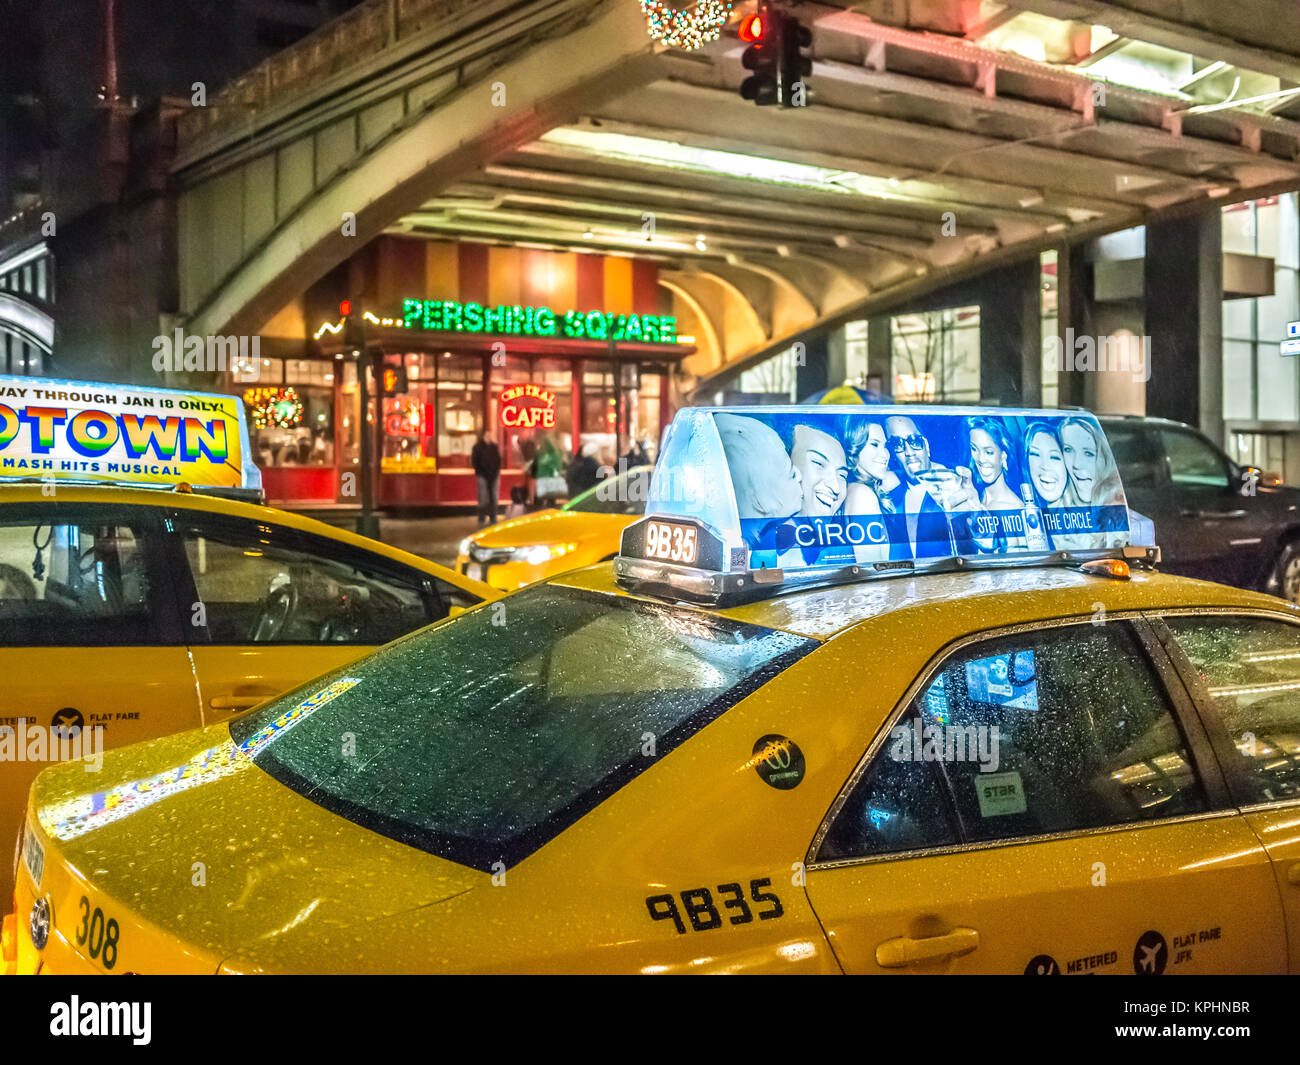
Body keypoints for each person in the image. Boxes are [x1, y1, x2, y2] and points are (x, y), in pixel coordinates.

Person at [884, 415, 987, 559]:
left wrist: (977, 518)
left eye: (914, 441)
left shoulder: (955, 480)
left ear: (926, 444)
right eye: (897, 444)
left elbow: (987, 546)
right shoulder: (892, 495)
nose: (909, 452)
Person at [714, 413, 804, 568]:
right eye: (790, 474)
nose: (800, 475)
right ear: (761, 499)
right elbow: (738, 577)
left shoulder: (783, 532)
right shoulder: (738, 545)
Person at [844, 420, 904, 564]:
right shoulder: (862, 495)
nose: (885, 455)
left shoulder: (856, 487)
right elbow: (871, 568)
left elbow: (904, 475)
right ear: (854, 446)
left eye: (885, 446)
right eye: (874, 444)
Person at [471, 433, 502, 527]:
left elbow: (498, 461)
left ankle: (492, 517)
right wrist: (480, 472)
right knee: (483, 497)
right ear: (484, 436)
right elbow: (474, 461)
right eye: (488, 436)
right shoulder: (477, 447)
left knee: (493, 497)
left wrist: (496, 472)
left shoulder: (494, 447)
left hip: (493, 475)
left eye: (490, 436)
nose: (489, 438)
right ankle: (482, 517)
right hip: (483, 475)